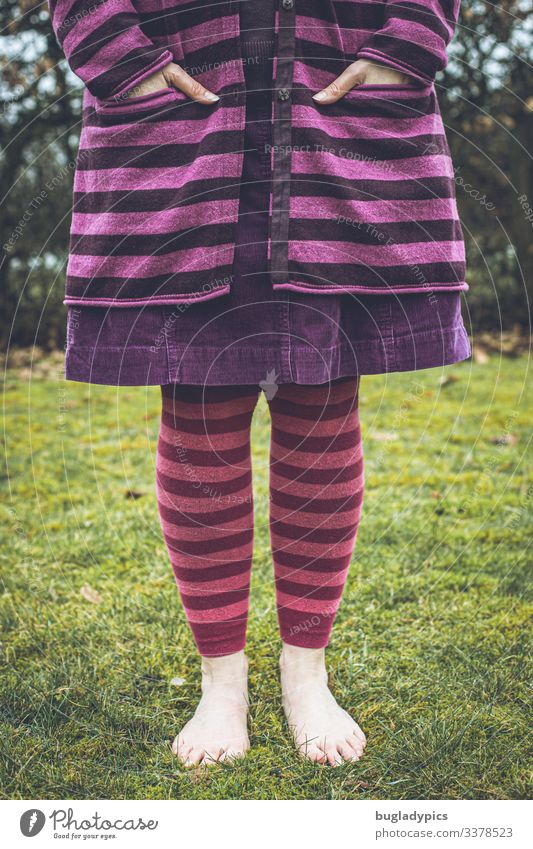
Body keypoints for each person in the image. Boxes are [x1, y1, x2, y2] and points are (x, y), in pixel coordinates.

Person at [48, 0, 470, 766]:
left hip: (338, 96)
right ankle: (222, 681)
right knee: (199, 400)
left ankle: (304, 669)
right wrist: (124, 60)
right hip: (180, 110)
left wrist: (406, 42)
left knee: (322, 396)